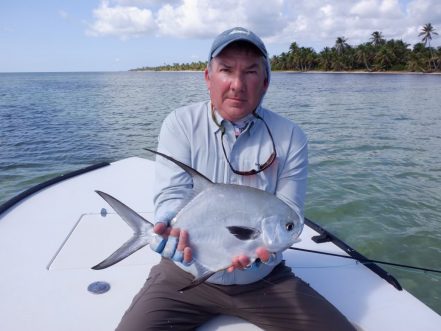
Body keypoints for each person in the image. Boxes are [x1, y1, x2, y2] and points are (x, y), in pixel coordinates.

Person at [116, 27, 355, 331]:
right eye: (226, 70)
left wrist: (262, 257)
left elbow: (288, 212)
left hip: (263, 279)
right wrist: (167, 222)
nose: (237, 84)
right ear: (208, 77)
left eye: (250, 72)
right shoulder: (180, 123)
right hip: (185, 272)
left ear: (265, 82)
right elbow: (172, 194)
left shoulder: (290, 137)